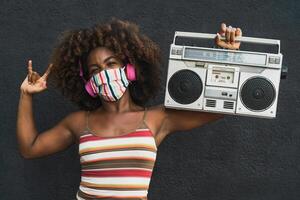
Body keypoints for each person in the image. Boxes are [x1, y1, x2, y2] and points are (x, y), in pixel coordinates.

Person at [17, 18, 242, 200]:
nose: (103, 73)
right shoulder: (78, 122)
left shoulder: (158, 118)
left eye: (111, 64)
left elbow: (220, 108)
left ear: (130, 69)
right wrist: (26, 94)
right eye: (95, 70)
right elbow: (30, 148)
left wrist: (226, 57)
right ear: (88, 83)